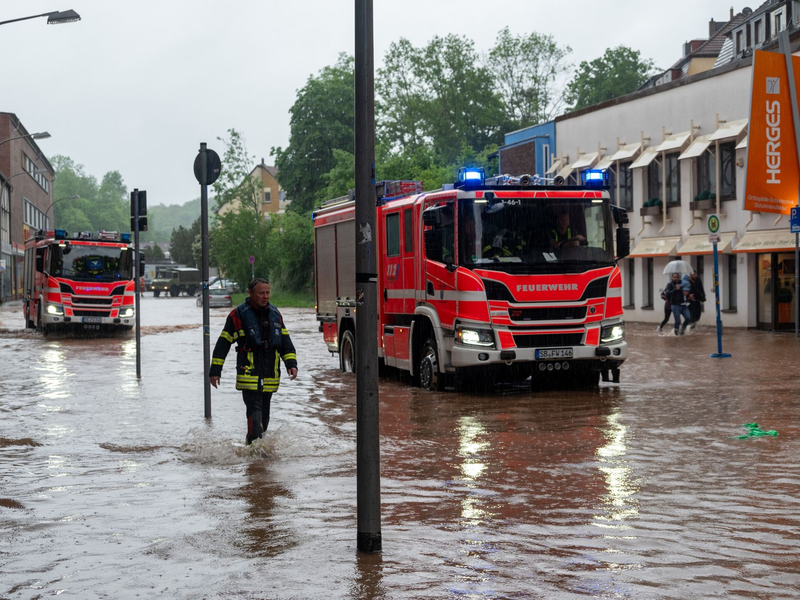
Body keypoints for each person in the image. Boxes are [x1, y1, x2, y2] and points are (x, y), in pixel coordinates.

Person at [209, 278, 298, 444]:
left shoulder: (275, 313)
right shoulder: (238, 315)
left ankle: (253, 450)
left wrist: (291, 364)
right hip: (249, 375)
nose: (265, 296)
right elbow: (224, 342)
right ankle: (256, 458)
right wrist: (215, 371)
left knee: (264, 420)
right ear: (250, 293)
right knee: (255, 416)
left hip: (270, 375)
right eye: (261, 293)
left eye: (267, 293)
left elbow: (285, 342)